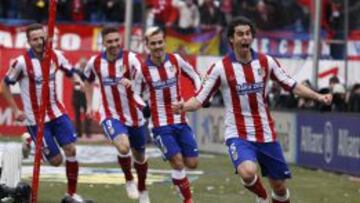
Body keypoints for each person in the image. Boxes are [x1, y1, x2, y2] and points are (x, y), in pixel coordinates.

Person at [172, 16, 332, 203]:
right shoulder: (220, 68)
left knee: (280, 187)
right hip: (238, 133)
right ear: (231, 39)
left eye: (248, 34)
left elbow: (292, 84)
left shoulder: (266, 62)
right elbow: (200, 98)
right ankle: (262, 196)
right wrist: (185, 106)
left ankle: (272, 196)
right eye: (240, 34)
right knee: (248, 173)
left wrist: (318, 96)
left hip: (266, 133)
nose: (245, 38)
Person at [1, 23, 89, 203]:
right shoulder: (21, 63)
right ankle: (29, 139)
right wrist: (16, 110)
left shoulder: (55, 55)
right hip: (35, 119)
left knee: (71, 149)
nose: (40, 42)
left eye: (42, 37)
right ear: (29, 41)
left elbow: (70, 72)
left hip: (57, 111)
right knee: (56, 160)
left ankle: (71, 194)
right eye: (35, 39)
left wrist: (77, 82)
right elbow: (4, 86)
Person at [133, 27, 202, 203]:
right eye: (153, 43)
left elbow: (194, 75)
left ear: (165, 42)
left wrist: (199, 95)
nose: (157, 46)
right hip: (159, 124)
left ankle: (179, 182)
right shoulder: (143, 70)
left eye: (160, 42)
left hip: (181, 120)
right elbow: (134, 93)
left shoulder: (175, 60)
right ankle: (188, 199)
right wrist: (143, 107)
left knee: (192, 163)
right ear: (147, 46)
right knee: (178, 162)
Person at [83, 25, 150, 203]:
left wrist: (134, 82)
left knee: (140, 157)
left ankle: (142, 189)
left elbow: (145, 77)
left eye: (115, 40)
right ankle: (128, 178)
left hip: (135, 115)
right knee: (123, 147)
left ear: (120, 40)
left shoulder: (132, 59)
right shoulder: (95, 62)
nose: (113, 44)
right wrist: (90, 105)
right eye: (109, 42)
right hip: (111, 114)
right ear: (103, 43)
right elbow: (87, 81)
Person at [72, 57, 91, 138]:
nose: (83, 65)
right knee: (77, 114)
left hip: (85, 95)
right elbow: (74, 82)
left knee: (88, 114)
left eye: (84, 64)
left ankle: (87, 132)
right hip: (77, 94)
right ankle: (78, 132)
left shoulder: (88, 72)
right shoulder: (76, 71)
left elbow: (89, 83)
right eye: (82, 63)